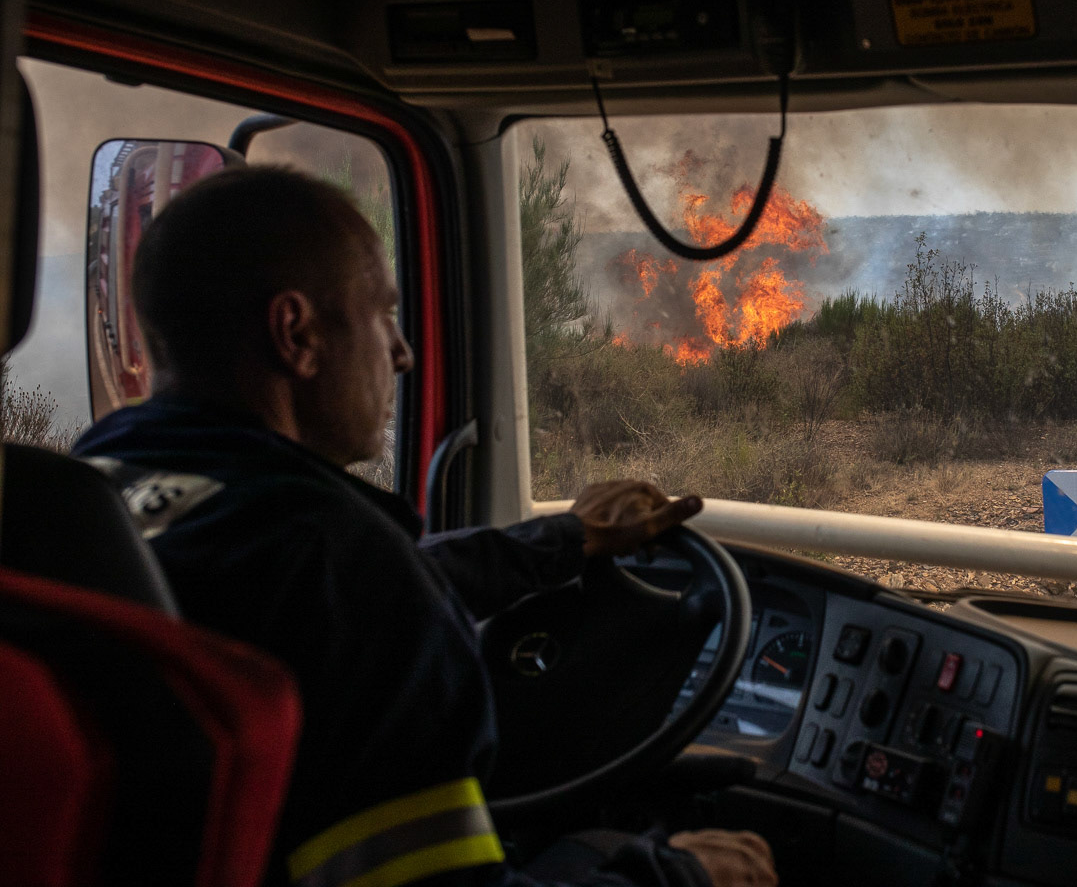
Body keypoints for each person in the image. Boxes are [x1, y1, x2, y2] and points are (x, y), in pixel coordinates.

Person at [73, 167, 776, 887]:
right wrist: (684, 877)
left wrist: (565, 541)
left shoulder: (82, 502)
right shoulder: (343, 572)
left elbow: (328, 593)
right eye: (383, 314)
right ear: (297, 334)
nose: (403, 353)